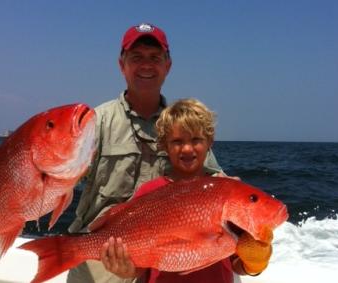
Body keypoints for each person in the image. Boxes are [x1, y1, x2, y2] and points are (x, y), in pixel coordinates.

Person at [67, 23, 224, 283]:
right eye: (136, 57)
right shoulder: (95, 122)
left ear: (168, 66)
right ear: (122, 65)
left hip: (158, 259)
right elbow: (58, 180)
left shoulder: (181, 126)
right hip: (101, 256)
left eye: (155, 58)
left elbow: (215, 185)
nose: (146, 65)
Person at [99, 99, 273, 283]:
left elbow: (237, 265)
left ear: (209, 142)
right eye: (177, 141)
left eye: (196, 140)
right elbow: (139, 268)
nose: (187, 148)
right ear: (165, 146)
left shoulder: (227, 194)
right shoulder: (150, 191)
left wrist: (255, 261)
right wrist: (126, 269)